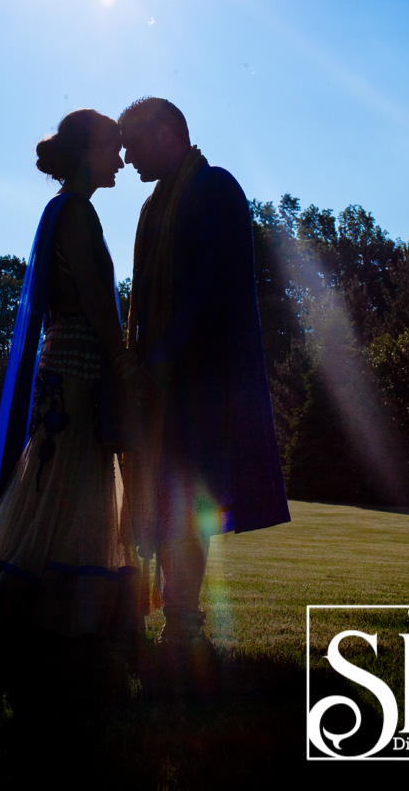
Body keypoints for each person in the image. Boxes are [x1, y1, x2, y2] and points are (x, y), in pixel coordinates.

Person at [0, 109, 139, 639]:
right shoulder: (76, 212)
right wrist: (120, 357)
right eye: (113, 147)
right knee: (66, 479)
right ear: (89, 151)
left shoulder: (65, 209)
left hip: (65, 365)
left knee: (58, 483)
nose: (120, 159)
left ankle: (49, 614)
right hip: (76, 368)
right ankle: (50, 620)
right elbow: (95, 298)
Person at [119, 97, 290, 644]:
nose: (126, 158)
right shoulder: (156, 205)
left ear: (168, 133)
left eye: (134, 143)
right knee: (165, 497)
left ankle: (184, 620)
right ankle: (177, 616)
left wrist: (164, 358)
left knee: (187, 500)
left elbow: (212, 288)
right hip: (161, 383)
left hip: (199, 383)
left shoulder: (214, 188)